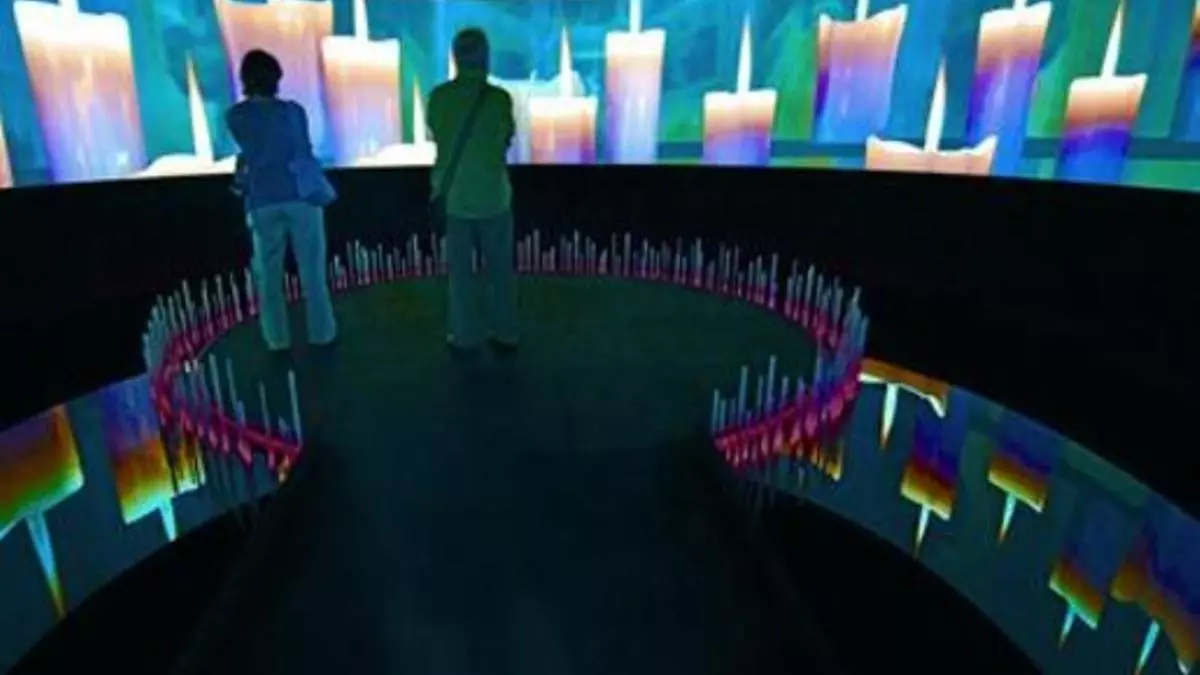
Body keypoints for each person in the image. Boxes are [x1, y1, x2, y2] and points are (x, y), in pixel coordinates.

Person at [225, 49, 337, 353]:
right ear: (276, 77)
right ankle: (322, 333)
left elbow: (250, 152)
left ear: (245, 79)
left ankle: (277, 340)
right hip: (301, 196)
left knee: (268, 276)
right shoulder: (294, 111)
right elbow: (304, 149)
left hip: (262, 200)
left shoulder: (236, 116)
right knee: (312, 271)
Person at [428, 28, 519, 352]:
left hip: (455, 199)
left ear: (455, 58)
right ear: (486, 58)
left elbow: (437, 133)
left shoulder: (439, 97)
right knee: (501, 272)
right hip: (494, 197)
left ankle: (464, 335)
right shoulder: (500, 99)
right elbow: (506, 138)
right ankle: (505, 332)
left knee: (461, 276)